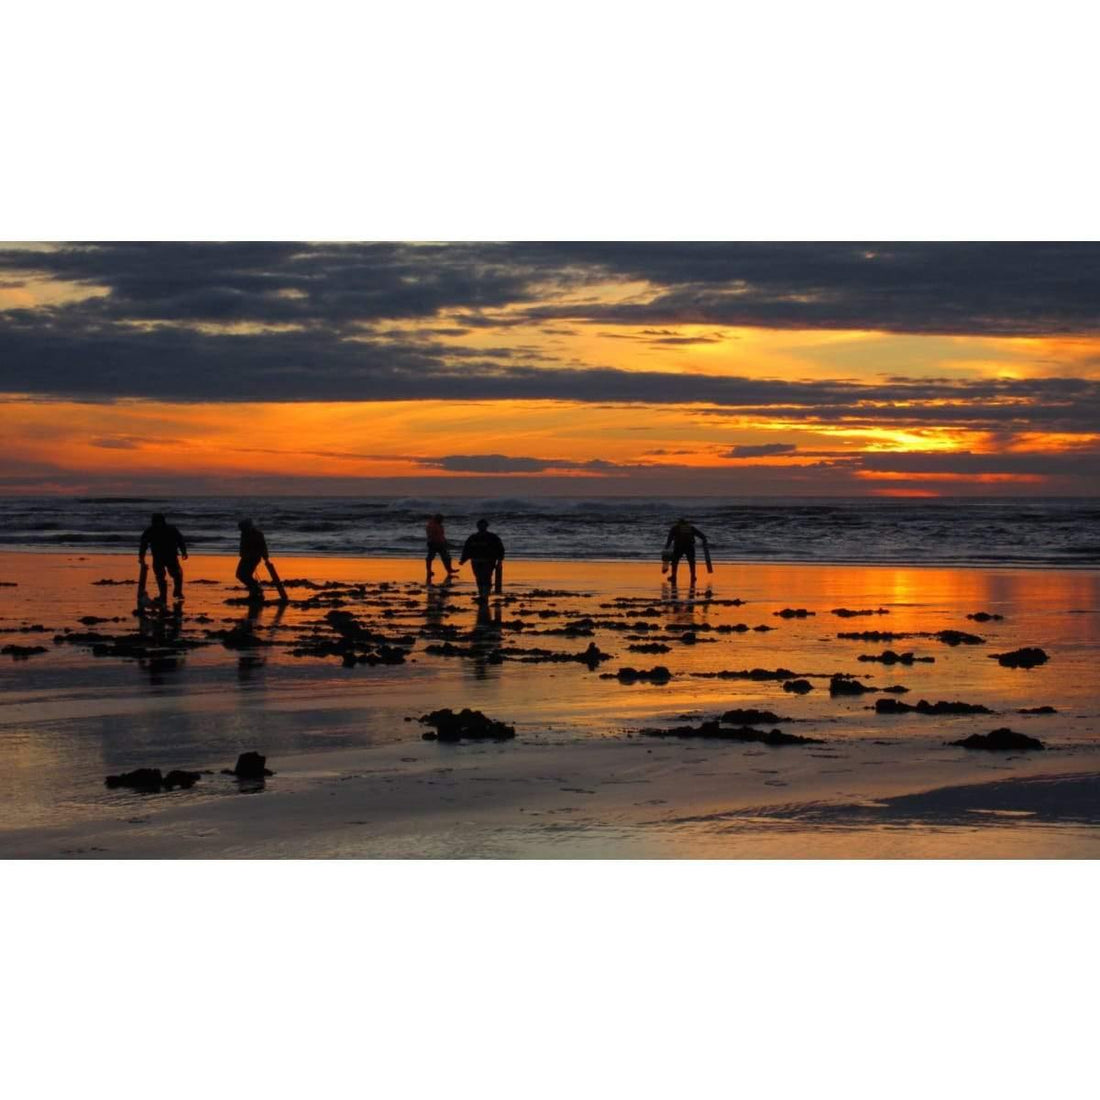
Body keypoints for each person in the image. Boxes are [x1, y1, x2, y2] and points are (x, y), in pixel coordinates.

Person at [138, 512, 188, 603]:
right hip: (159, 557)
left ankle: (177, 591)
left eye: (157, 521)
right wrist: (141, 557)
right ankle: (163, 595)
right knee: (161, 576)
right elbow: (143, 545)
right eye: (155, 522)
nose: (157, 524)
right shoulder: (151, 530)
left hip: (170, 556)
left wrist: (184, 551)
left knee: (176, 574)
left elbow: (180, 540)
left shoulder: (169, 529)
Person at [460, 518, 505, 602]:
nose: (481, 527)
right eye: (480, 525)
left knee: (486, 577)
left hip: (488, 561)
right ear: (477, 526)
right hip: (476, 560)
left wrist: (500, 561)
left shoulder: (493, 537)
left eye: (483, 525)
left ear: (486, 526)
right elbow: (467, 549)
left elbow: (500, 549)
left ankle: (485, 595)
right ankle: (481, 594)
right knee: (478, 577)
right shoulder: (473, 537)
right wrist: (463, 559)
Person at [664, 516, 708, 586]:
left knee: (675, 561)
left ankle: (673, 576)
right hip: (689, 546)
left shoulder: (675, 528)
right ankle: (693, 577)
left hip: (679, 546)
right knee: (691, 561)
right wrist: (705, 541)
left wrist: (666, 547)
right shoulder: (691, 528)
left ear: (679, 523)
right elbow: (702, 536)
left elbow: (669, 539)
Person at [236, 518, 270, 602]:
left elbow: (263, 546)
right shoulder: (244, 534)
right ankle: (255, 590)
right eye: (241, 529)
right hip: (245, 557)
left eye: (243, 528)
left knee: (243, 575)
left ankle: (256, 590)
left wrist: (266, 558)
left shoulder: (258, 534)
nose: (242, 530)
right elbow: (243, 546)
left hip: (253, 558)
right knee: (241, 575)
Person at [425, 513, 457, 581]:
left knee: (447, 557)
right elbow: (430, 535)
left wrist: (445, 542)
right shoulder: (431, 525)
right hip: (433, 543)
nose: (442, 521)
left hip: (441, 543)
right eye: (441, 519)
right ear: (437, 519)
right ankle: (429, 571)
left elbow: (441, 535)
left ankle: (449, 570)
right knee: (430, 558)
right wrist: (431, 542)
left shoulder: (439, 525)